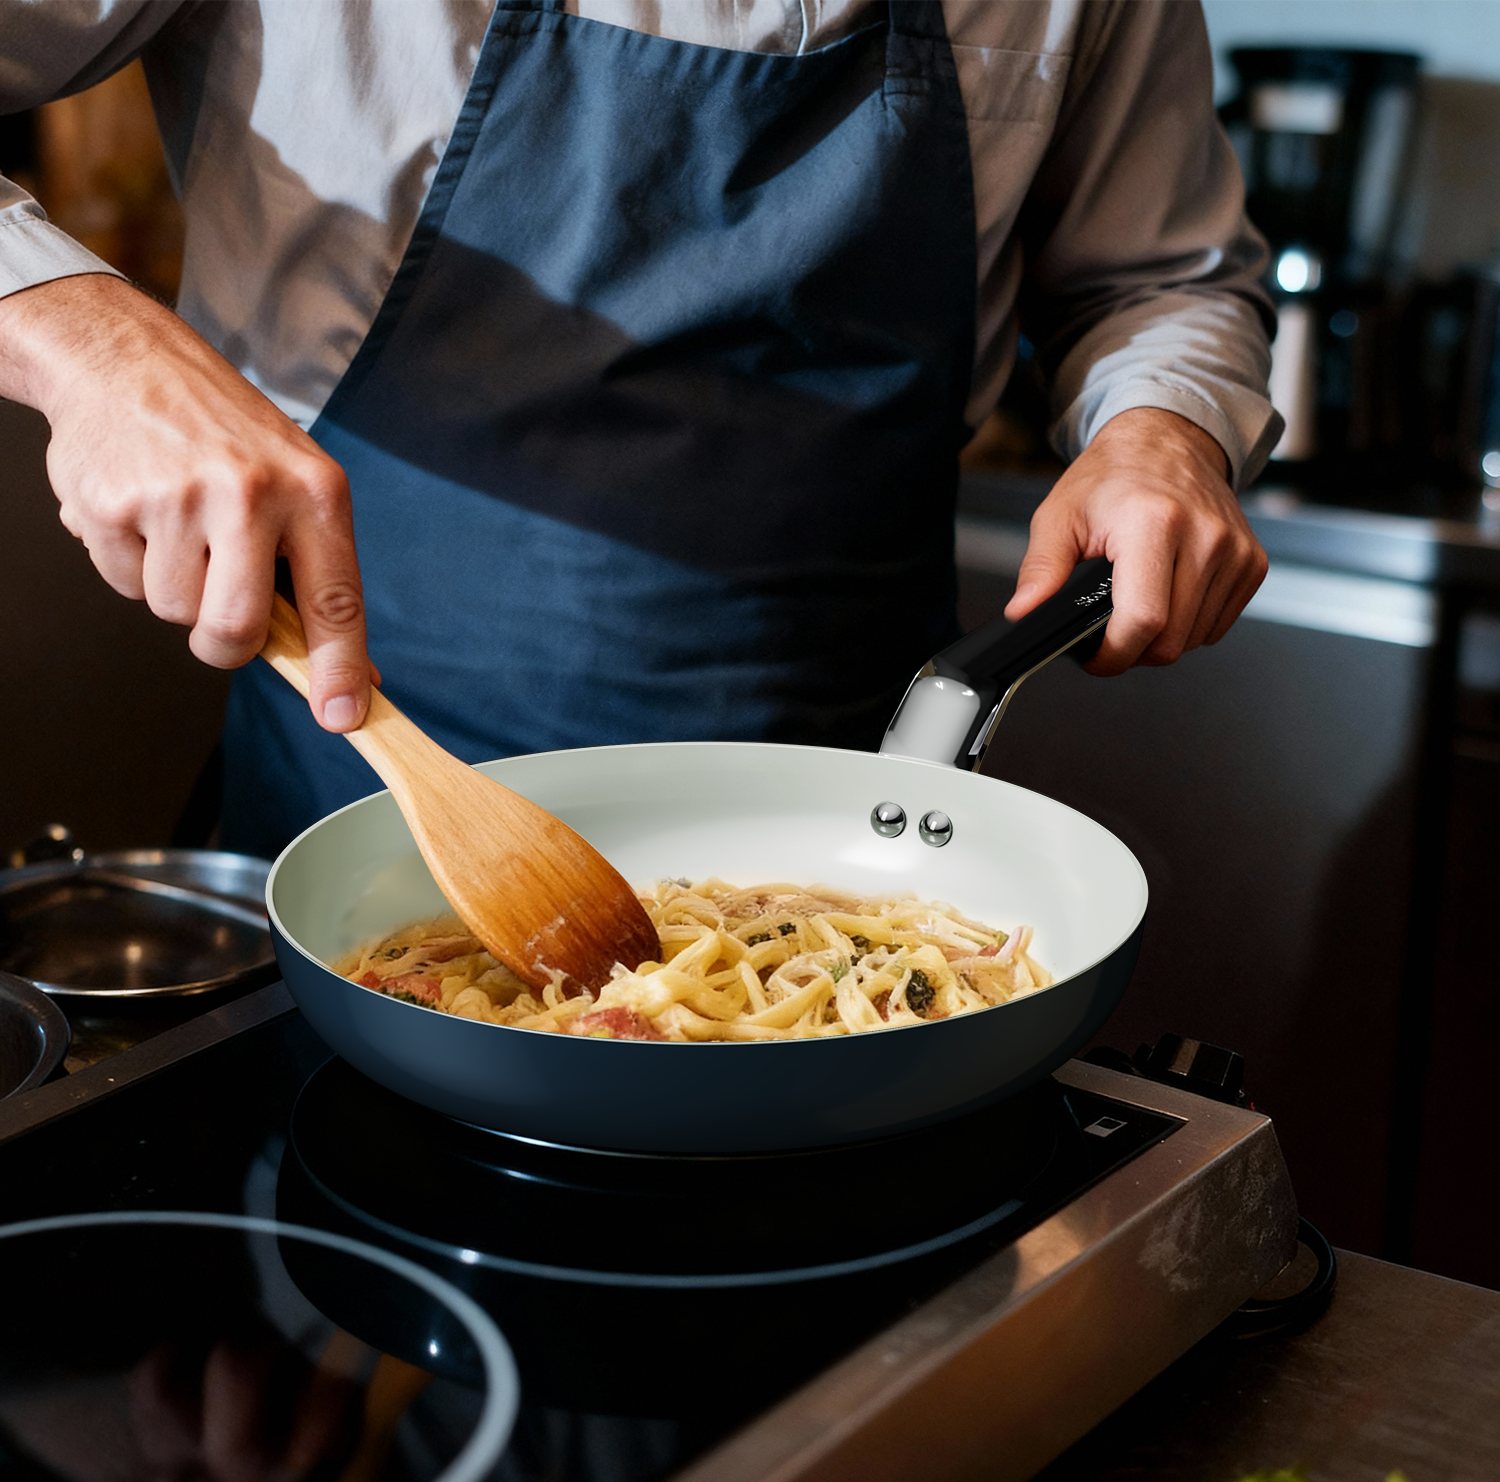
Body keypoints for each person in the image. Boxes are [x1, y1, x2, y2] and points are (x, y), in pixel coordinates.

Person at [0, 0, 1277, 857]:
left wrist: (1165, 427)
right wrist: (88, 336)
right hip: (372, 796)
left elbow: (1161, 274)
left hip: (861, 820)